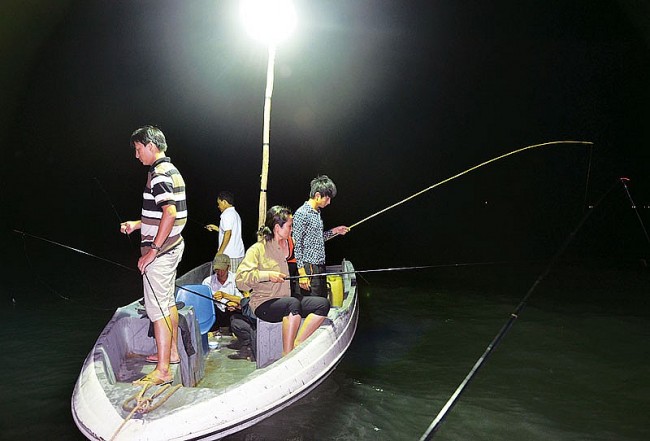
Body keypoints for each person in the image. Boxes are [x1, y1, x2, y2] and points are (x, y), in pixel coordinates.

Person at [120, 125, 187, 386]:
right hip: (174, 246)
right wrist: (137, 225)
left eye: (138, 150)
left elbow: (169, 213)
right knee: (167, 303)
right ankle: (170, 354)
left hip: (162, 252)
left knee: (157, 310)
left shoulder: (158, 173)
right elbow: (163, 213)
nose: (137, 156)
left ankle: (162, 371)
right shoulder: (172, 171)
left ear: (151, 146)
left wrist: (152, 252)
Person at [236, 206, 330, 356]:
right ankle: (287, 354)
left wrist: (304, 272)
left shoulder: (292, 244)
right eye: (289, 226)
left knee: (322, 304)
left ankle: (298, 344)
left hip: (286, 299)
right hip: (264, 303)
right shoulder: (258, 250)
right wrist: (267, 275)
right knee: (292, 304)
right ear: (276, 227)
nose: (292, 229)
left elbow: (313, 245)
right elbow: (240, 280)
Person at [292, 175, 349, 298]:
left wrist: (336, 231)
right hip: (309, 269)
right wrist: (302, 273)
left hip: (320, 267)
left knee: (322, 301)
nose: (329, 202)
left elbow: (317, 239)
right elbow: (296, 244)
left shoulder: (317, 212)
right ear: (318, 196)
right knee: (313, 305)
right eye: (327, 199)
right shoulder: (302, 213)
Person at [201, 253, 242, 334]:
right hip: (217, 313)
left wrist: (235, 304)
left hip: (232, 312)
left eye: (222, 269)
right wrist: (227, 302)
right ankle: (213, 331)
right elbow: (207, 301)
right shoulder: (207, 281)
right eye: (217, 269)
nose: (220, 272)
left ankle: (234, 330)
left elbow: (242, 299)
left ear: (228, 267)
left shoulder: (237, 279)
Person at [205, 191, 245, 270]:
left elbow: (228, 234)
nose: (218, 206)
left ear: (224, 202)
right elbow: (229, 231)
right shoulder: (235, 214)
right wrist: (216, 228)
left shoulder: (226, 214)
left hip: (229, 255)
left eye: (219, 203)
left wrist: (220, 253)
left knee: (230, 279)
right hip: (238, 254)